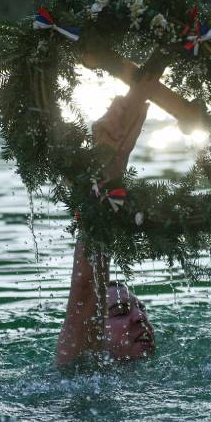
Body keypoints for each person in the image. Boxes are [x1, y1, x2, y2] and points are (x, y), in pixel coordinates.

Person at [56, 94, 156, 367]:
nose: (140, 319)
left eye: (141, 310)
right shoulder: (82, 372)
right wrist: (110, 166)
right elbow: (86, 286)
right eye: (121, 312)